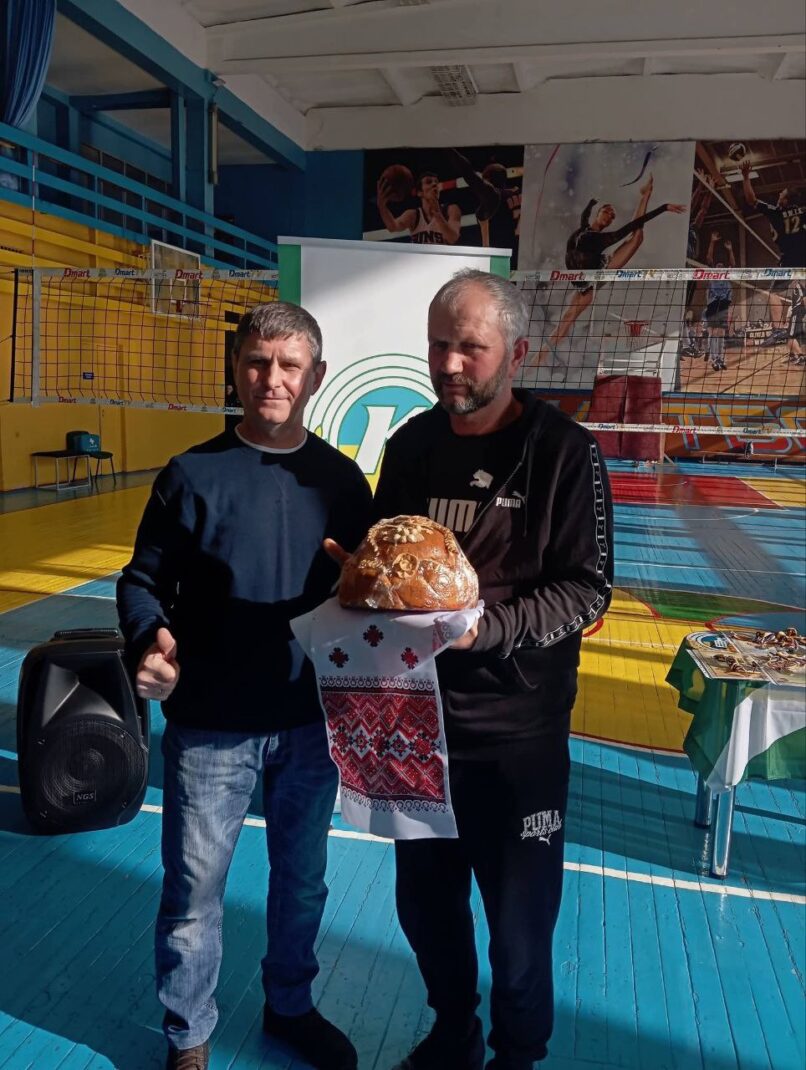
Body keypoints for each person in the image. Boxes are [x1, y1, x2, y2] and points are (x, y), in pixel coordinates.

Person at [117, 302, 372, 1070]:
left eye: (290, 365)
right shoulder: (191, 474)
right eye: (258, 362)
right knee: (195, 891)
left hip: (309, 723)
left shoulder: (341, 482)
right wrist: (148, 638)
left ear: (316, 377)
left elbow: (368, 595)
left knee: (303, 882)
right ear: (236, 369)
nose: (272, 378)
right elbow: (142, 582)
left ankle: (290, 1007)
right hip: (211, 724)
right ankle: (187, 1036)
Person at [372, 269, 614, 1070]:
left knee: (518, 931)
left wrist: (490, 630)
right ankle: (454, 1031)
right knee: (427, 910)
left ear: (517, 352)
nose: (449, 363)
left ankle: (518, 1054)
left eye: (469, 347)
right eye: (438, 345)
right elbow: (387, 564)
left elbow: (589, 587)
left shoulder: (565, 452)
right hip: (416, 727)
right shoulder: (410, 447)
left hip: (516, 738)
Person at [531, 175, 686, 366]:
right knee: (566, 321)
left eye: (612, 216)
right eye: (607, 211)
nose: (610, 216)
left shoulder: (599, 239)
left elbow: (632, 225)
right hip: (582, 285)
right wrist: (592, 201)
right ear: (599, 213)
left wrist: (663, 208)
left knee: (637, 235)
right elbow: (584, 215)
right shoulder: (584, 230)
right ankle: (539, 358)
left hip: (600, 272)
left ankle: (645, 195)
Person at [741, 159, 806, 334]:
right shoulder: (803, 211)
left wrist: (745, 176)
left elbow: (751, 200)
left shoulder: (776, 212)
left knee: (774, 293)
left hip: (788, 259)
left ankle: (778, 331)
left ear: (785, 200)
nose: (779, 194)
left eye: (781, 194)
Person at [377, 169, 462, 245]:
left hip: (441, 257)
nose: (434, 184)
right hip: (419, 258)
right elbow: (393, 227)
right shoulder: (413, 215)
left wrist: (437, 214)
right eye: (429, 182)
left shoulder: (451, 209)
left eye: (436, 182)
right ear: (420, 192)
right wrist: (382, 206)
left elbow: (452, 238)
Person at [702, 230, 736, 372]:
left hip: (724, 305)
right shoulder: (712, 274)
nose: (720, 267)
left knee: (721, 333)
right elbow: (709, 258)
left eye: (722, 266)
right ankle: (713, 358)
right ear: (715, 268)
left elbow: (733, 264)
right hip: (713, 304)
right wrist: (712, 241)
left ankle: (720, 358)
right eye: (718, 266)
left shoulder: (727, 275)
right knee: (713, 332)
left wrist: (730, 250)